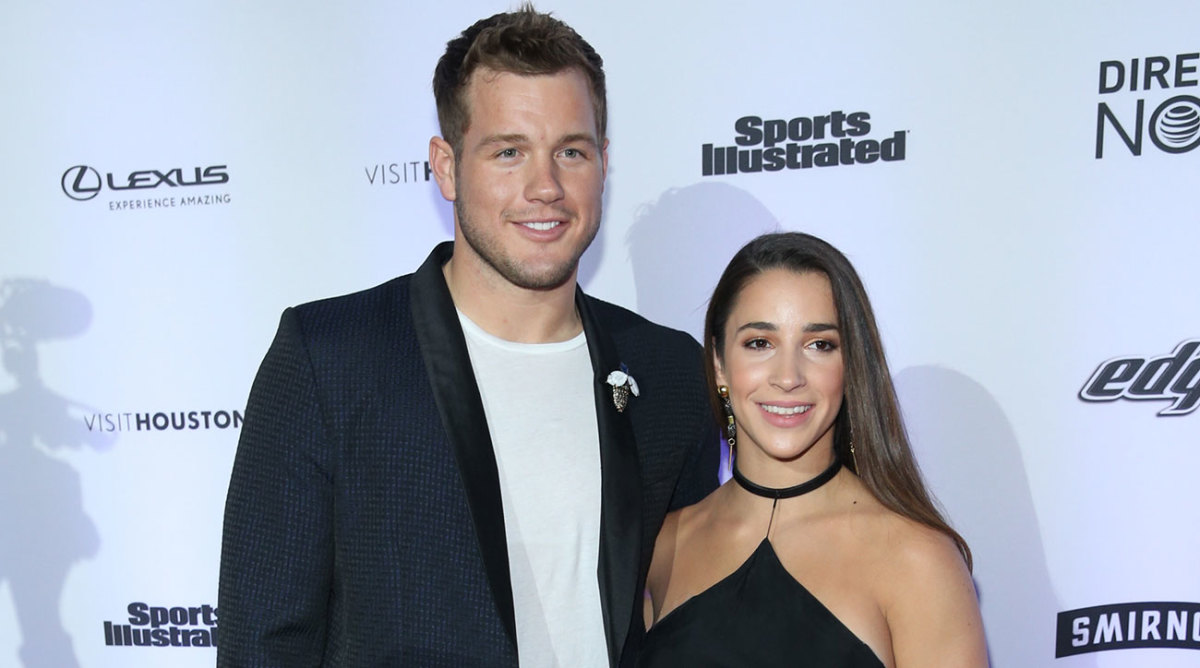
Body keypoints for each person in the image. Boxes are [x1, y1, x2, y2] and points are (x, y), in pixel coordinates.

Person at [217, 6, 718, 667]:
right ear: (447, 167)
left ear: (603, 163)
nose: (546, 187)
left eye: (571, 151)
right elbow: (263, 646)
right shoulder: (329, 359)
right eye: (509, 152)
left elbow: (690, 621)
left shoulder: (670, 372)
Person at [640, 232, 988, 667]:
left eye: (819, 345)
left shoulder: (916, 558)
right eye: (760, 343)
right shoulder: (664, 544)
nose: (789, 377)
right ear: (719, 364)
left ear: (850, 364)